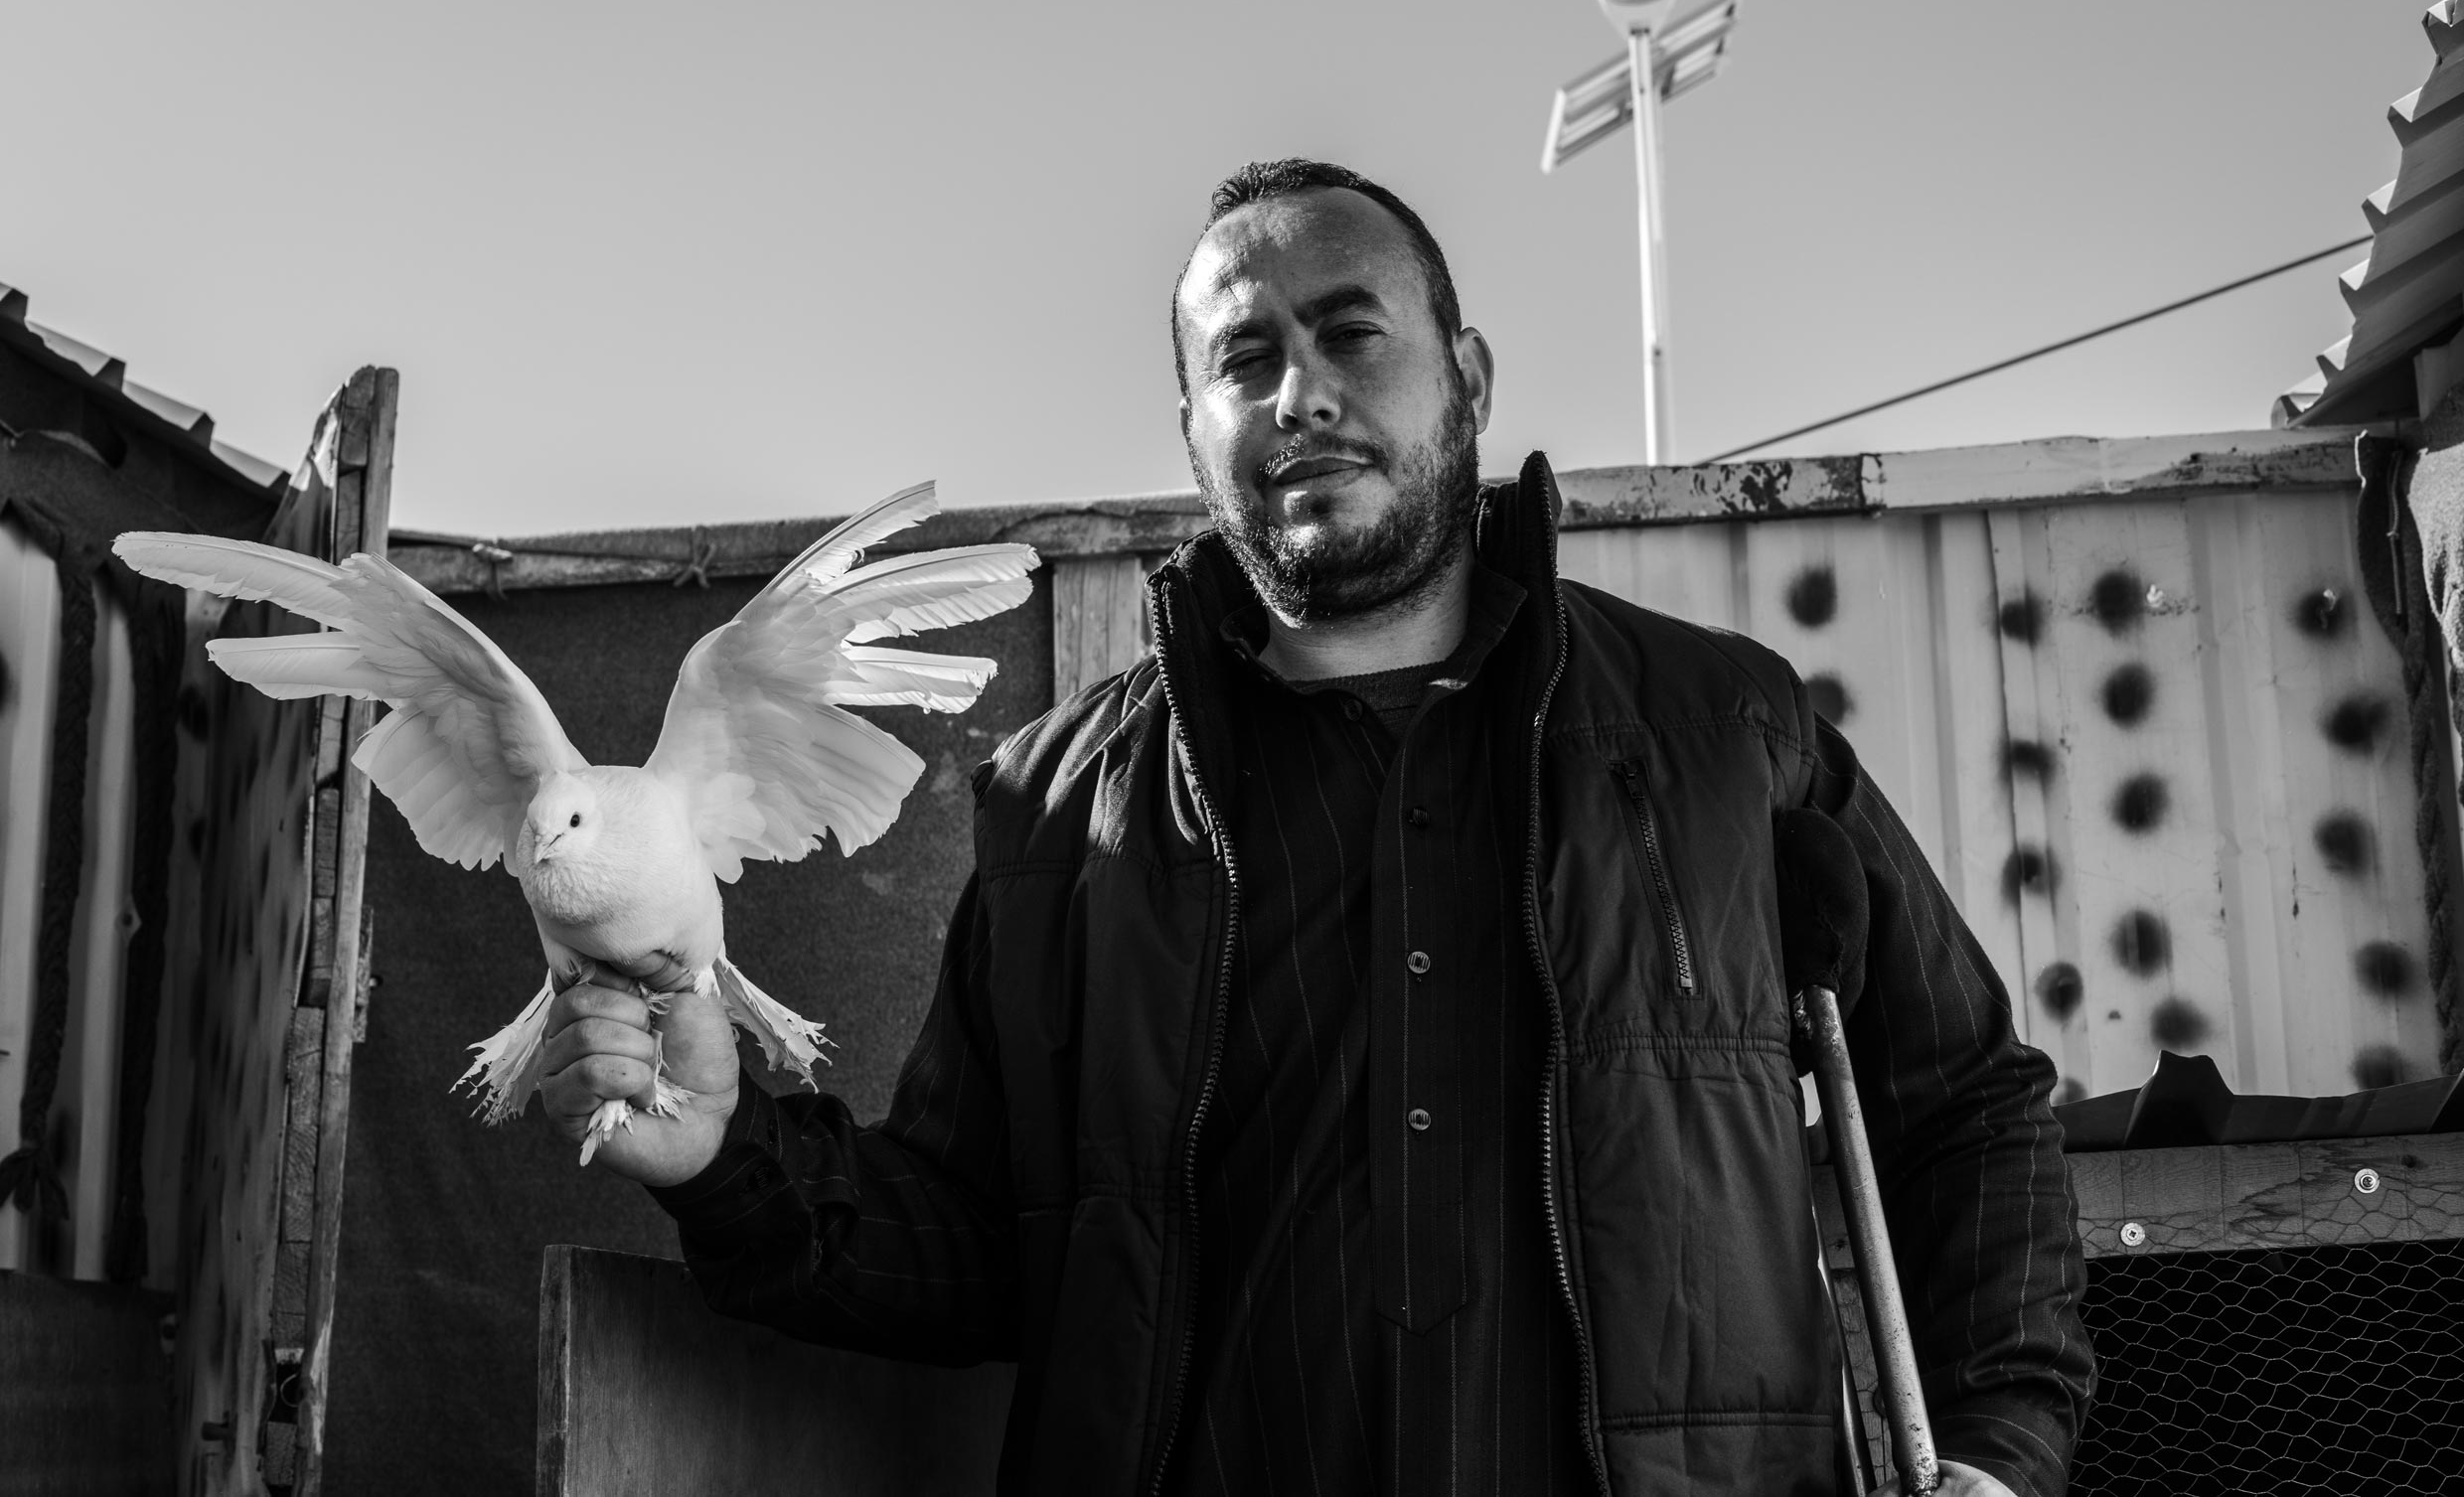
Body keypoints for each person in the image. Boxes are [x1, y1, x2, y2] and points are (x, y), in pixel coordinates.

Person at [539, 159, 2093, 1496]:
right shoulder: (1056, 810)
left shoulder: (1724, 734)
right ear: (1196, 424)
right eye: (1246, 357)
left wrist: (2000, 1446)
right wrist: (727, 1153)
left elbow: (1961, 1099)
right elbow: (980, 1247)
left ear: (1468, 377)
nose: (1303, 392)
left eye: (1353, 331)